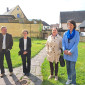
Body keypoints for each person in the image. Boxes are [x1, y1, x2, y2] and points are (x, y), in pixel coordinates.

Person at [62, 20, 80, 85]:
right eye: (68, 25)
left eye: (71, 25)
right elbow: (63, 42)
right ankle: (69, 79)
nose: (69, 26)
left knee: (72, 68)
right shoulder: (65, 33)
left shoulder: (77, 33)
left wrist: (70, 51)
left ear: (74, 25)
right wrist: (64, 50)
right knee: (68, 68)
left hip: (73, 54)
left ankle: (73, 82)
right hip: (66, 54)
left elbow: (76, 43)